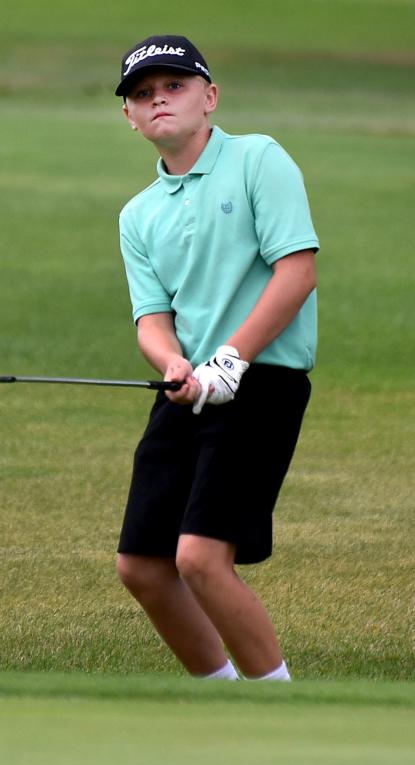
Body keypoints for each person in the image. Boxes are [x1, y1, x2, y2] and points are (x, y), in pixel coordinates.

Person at [113, 35, 319, 681]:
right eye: (143, 95)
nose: (158, 101)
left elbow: (296, 272)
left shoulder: (258, 159)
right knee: (141, 565)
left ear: (209, 97)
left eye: (173, 87)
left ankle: (282, 709)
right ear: (130, 117)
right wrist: (173, 364)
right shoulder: (137, 214)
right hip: (191, 388)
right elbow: (152, 321)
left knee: (199, 558)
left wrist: (230, 360)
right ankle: (224, 699)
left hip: (262, 381)